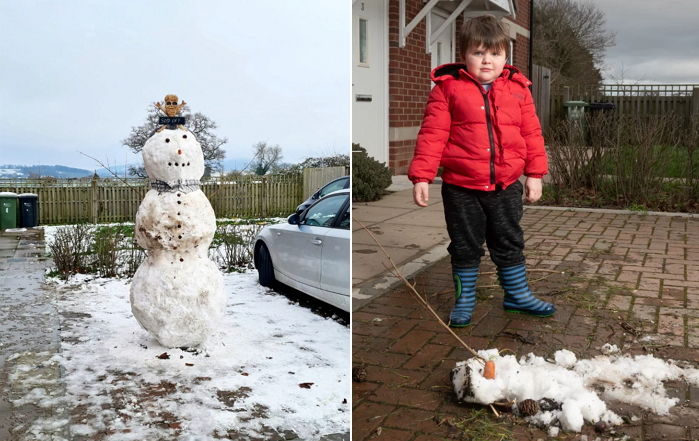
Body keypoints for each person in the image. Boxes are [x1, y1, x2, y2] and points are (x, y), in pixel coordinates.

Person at [407, 15, 555, 327]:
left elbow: (531, 133)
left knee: (508, 240)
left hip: (506, 185)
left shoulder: (518, 89)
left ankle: (517, 295)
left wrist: (536, 173)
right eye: (478, 52)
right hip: (461, 188)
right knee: (465, 245)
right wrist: (422, 176)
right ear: (464, 55)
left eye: (495, 53)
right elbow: (432, 135)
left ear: (505, 56)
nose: (487, 60)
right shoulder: (447, 90)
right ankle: (465, 300)